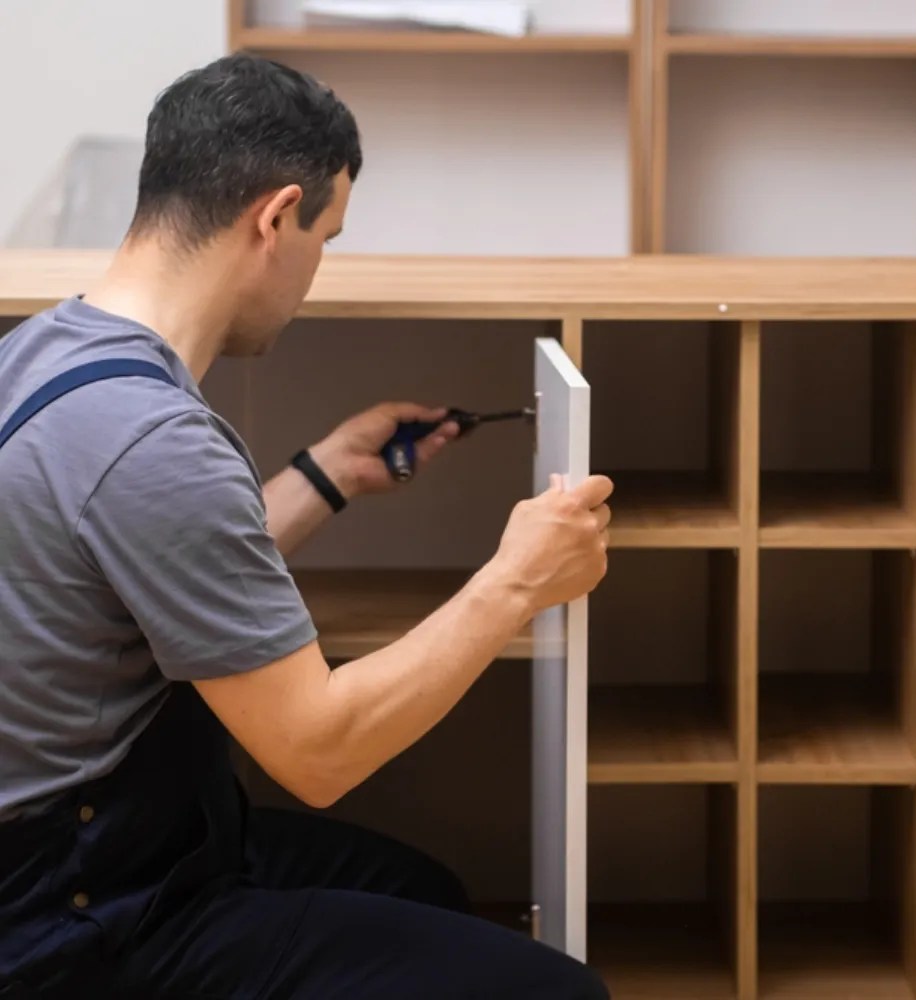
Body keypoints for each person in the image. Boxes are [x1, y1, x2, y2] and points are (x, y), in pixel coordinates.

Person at [0, 54, 613, 999]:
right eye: (327, 235)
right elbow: (320, 751)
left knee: (428, 893)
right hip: (76, 917)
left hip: (105, 848)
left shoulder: (47, 351)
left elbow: (151, 569)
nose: (317, 270)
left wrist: (325, 475)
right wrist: (517, 582)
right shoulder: (156, 440)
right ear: (276, 217)